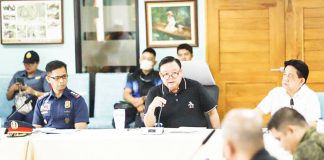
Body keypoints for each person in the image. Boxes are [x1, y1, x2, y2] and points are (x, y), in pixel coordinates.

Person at [144, 56, 220, 128]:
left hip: (196, 136)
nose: (170, 77)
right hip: (167, 138)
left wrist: (217, 135)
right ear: (161, 75)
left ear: (181, 72)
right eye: (166, 74)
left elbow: (212, 113)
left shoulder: (195, 86)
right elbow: (148, 126)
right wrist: (151, 108)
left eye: (174, 73)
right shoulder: (154, 92)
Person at [255, 59, 320, 125]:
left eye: (290, 75)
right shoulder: (275, 93)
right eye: (285, 74)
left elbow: (312, 124)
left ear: (301, 81)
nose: (285, 79)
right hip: (278, 134)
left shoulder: (310, 96)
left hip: (301, 134)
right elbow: (256, 113)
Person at [113, 48, 162, 128]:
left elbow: (160, 93)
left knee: (142, 124)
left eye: (149, 59)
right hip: (133, 106)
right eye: (144, 58)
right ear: (140, 60)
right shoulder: (132, 76)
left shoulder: (159, 76)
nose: (146, 61)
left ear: (154, 62)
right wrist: (137, 104)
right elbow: (126, 94)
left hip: (151, 106)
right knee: (117, 121)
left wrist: (143, 99)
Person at [33, 60, 89, 129]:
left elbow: (81, 131)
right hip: (47, 139)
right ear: (48, 79)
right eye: (57, 78)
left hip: (69, 139)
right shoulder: (41, 101)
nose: (62, 81)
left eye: (64, 76)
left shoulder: (77, 100)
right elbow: (37, 128)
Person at [6, 50, 50, 124]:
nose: (27, 66)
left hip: (35, 108)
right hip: (18, 108)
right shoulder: (18, 74)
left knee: (30, 124)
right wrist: (12, 88)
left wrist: (33, 92)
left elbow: (49, 95)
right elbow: (8, 97)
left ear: (37, 63)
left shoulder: (43, 75)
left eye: (31, 63)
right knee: (8, 124)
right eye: (25, 63)